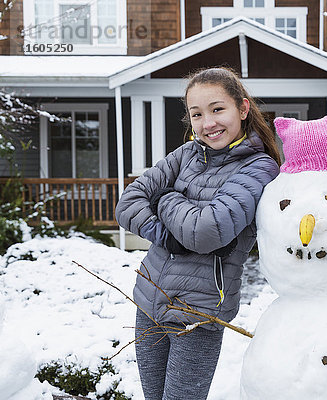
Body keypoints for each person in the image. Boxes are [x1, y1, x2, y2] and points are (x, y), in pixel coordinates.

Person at [115, 67, 280, 400]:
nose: (208, 123)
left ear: (243, 109)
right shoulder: (187, 154)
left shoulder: (259, 167)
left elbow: (206, 232)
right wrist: (168, 236)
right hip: (150, 299)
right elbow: (127, 204)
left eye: (218, 109)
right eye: (197, 114)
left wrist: (165, 197)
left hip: (197, 313)